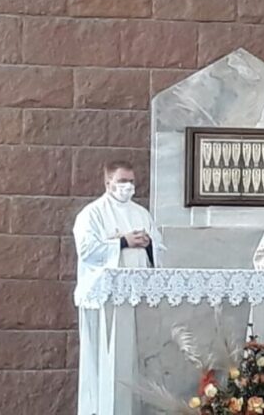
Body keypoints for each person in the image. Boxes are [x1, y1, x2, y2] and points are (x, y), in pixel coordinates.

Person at [73, 160, 164, 415]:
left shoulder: (141, 213)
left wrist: (148, 244)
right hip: (106, 301)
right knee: (104, 358)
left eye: (131, 182)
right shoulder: (92, 214)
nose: (128, 187)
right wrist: (123, 242)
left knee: (136, 358)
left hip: (137, 298)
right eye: (122, 181)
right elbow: (87, 251)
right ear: (108, 183)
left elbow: (159, 248)